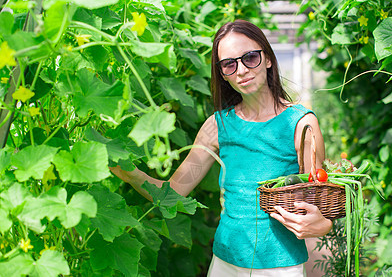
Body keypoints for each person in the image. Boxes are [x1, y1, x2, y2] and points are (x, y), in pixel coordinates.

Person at [110, 19, 332, 276]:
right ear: (223, 74)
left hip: (280, 265)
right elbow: (173, 193)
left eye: (250, 57)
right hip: (225, 262)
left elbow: (321, 204)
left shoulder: (301, 124)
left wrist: (323, 225)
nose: (241, 70)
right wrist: (127, 172)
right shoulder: (216, 126)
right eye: (229, 64)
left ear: (268, 59)